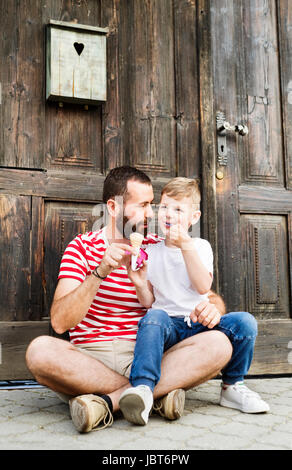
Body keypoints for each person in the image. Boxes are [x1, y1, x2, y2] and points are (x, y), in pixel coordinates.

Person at [25, 166, 233, 433]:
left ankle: (106, 403)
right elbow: (60, 322)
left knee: (219, 344)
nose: (152, 213)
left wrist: (213, 308)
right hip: (89, 359)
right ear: (113, 207)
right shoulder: (81, 247)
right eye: (144, 205)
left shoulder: (160, 246)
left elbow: (206, 293)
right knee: (39, 351)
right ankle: (155, 397)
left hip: (147, 355)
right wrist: (99, 272)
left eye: (151, 205)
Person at [118, 177, 270, 425]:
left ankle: (232, 386)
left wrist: (186, 246)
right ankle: (143, 389)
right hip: (168, 325)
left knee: (245, 322)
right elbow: (148, 302)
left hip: (198, 323)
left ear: (194, 217)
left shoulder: (200, 246)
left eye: (178, 209)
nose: (169, 214)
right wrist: (138, 281)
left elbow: (202, 286)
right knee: (152, 317)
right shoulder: (152, 251)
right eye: (165, 207)